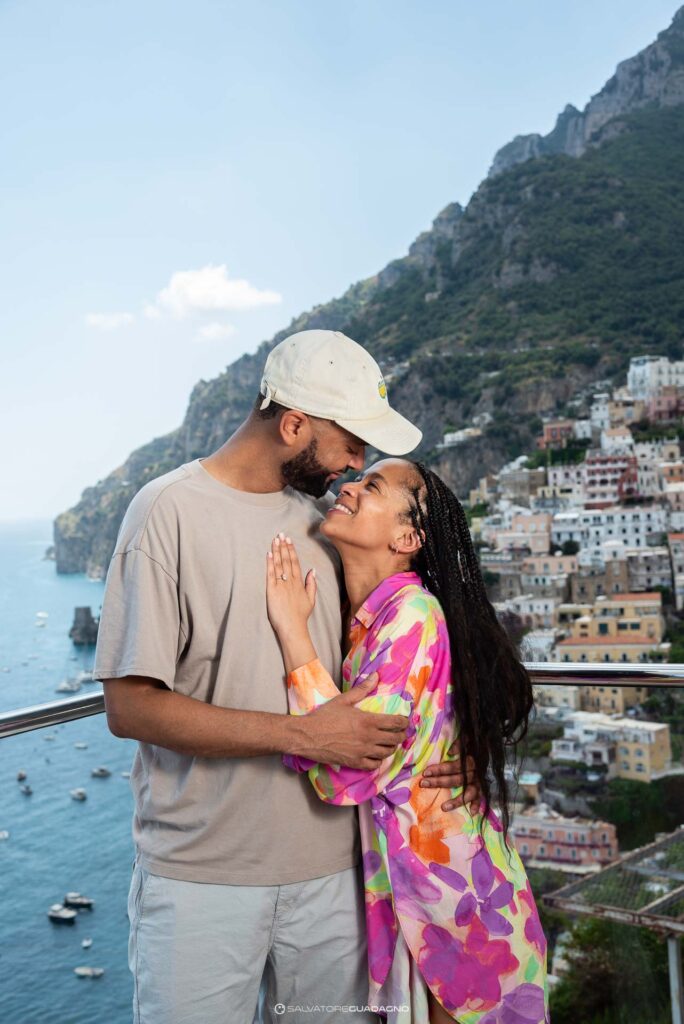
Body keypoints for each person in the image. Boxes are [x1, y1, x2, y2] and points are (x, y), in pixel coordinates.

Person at [94, 329, 480, 1024]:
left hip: (339, 880)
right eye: (351, 442)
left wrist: (461, 747)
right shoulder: (165, 513)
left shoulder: (332, 529)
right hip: (201, 885)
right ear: (295, 424)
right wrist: (303, 734)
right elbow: (130, 708)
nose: (358, 464)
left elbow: (422, 648)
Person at [265, 458, 549, 1024]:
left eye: (370, 486)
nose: (348, 487)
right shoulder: (376, 620)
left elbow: (346, 770)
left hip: (459, 910)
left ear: (408, 538)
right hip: (438, 900)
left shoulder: (410, 617)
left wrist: (293, 633)